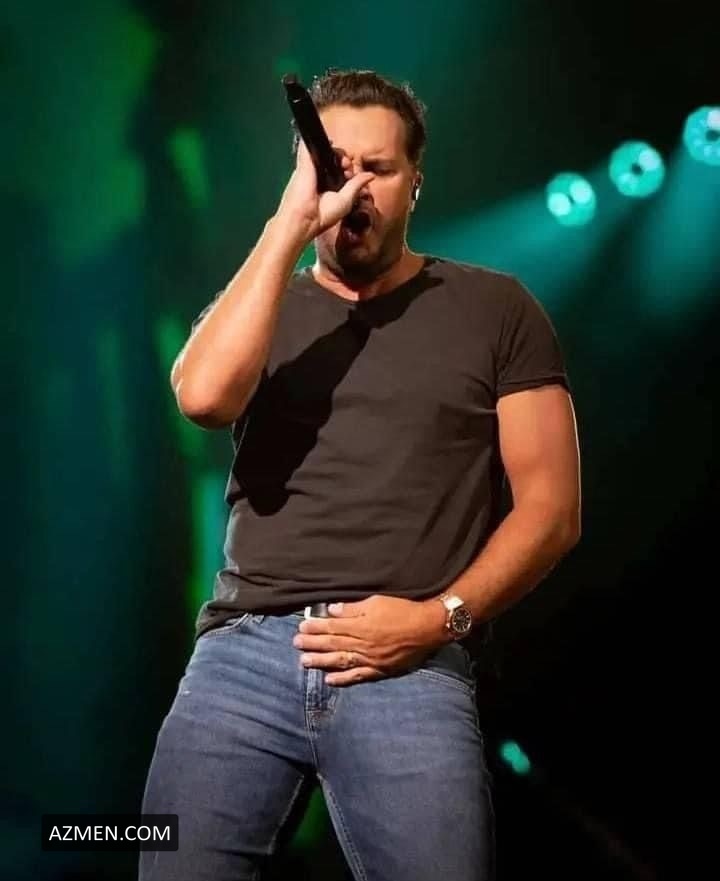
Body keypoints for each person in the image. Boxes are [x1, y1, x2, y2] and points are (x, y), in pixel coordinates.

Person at [139, 69, 581, 881]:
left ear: (416, 183)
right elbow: (200, 397)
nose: (355, 188)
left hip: (407, 658)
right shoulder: (263, 302)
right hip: (243, 652)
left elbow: (551, 508)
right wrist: (289, 222)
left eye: (376, 168)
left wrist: (439, 618)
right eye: (334, 166)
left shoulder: (496, 308)